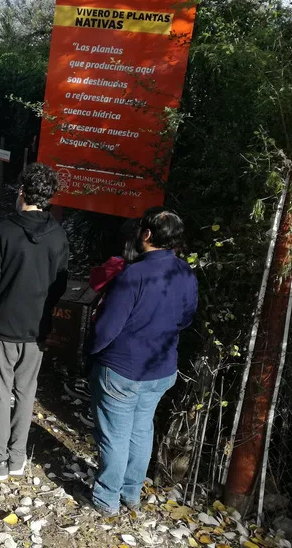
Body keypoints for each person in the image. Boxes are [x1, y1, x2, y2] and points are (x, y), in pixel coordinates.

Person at [85, 208, 198, 516]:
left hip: (121, 368)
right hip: (161, 369)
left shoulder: (132, 275)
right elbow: (186, 318)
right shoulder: (186, 273)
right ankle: (131, 492)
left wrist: (92, 351)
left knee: (116, 434)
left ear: (146, 235)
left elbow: (107, 328)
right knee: (141, 429)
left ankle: (107, 497)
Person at [0, 164, 69, 481]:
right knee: (26, 391)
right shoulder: (58, 236)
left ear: (22, 192)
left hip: (4, 324)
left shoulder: (4, 231)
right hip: (37, 327)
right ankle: (17, 456)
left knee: (0, 390)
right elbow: (60, 285)